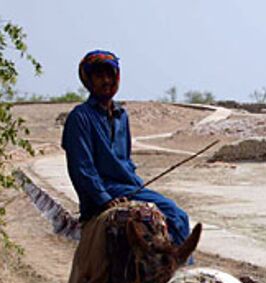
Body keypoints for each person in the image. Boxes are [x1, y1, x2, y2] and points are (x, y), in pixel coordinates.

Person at [61, 49, 190, 245]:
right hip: (104, 192)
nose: (106, 81)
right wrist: (103, 198)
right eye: (99, 76)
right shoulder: (80, 117)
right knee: (177, 217)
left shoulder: (122, 116)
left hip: (129, 188)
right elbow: (82, 168)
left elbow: (125, 160)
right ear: (89, 81)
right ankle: (180, 272)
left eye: (110, 75)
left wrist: (137, 184)